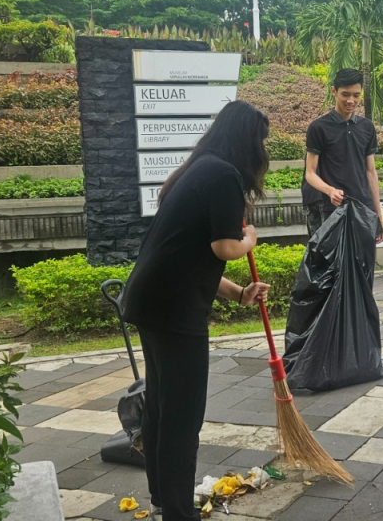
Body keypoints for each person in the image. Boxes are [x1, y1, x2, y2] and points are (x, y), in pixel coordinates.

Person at [121, 101, 272, 521]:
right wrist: (250, 241)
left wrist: (239, 293)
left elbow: (189, 257)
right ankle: (176, 511)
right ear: (246, 139)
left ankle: (163, 497)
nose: (264, 148)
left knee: (162, 407)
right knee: (183, 418)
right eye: (261, 139)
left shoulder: (199, 167)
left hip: (152, 301)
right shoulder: (223, 175)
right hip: (173, 311)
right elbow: (225, 247)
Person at [301, 67, 383, 369]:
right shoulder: (319, 128)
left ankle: (365, 351)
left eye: (356, 96)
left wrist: (378, 213)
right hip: (333, 214)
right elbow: (310, 174)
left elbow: (370, 172)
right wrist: (329, 190)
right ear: (334, 92)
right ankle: (331, 353)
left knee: (364, 282)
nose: (351, 101)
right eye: (346, 95)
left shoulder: (366, 128)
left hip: (363, 211)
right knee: (332, 282)